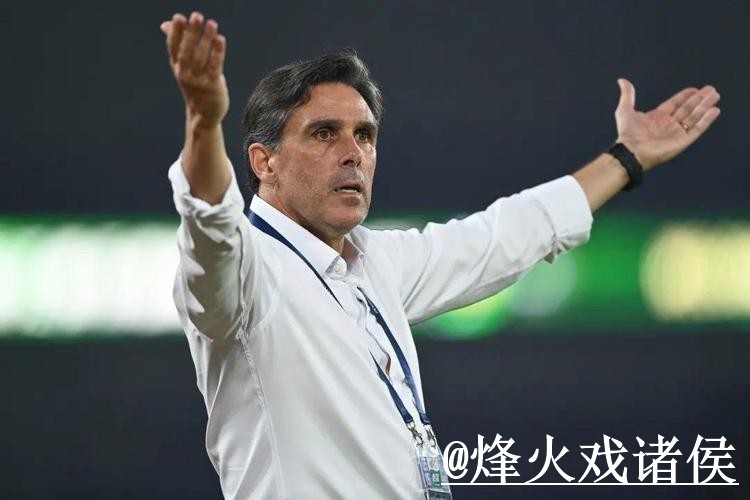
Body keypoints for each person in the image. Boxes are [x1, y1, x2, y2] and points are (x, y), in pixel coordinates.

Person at [159, 10, 721, 500]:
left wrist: (626, 157)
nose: (353, 153)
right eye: (324, 134)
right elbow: (211, 227)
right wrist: (203, 124)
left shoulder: (375, 261)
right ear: (264, 162)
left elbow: (502, 236)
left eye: (365, 135)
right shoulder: (247, 274)